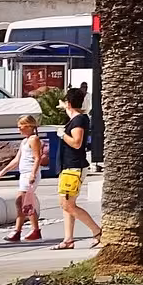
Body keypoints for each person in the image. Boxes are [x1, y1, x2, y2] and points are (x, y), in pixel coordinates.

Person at [53, 88, 99, 250]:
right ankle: (68, 239)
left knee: (68, 205)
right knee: (66, 204)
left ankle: (97, 232)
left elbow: (77, 142)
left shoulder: (79, 120)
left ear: (69, 103)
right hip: (68, 166)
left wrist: (62, 134)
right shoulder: (77, 118)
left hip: (74, 166)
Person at [1, 115, 45, 243]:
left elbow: (37, 157)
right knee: (21, 203)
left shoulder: (33, 139)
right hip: (24, 174)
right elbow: (17, 159)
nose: (19, 128)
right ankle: (19, 230)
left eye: (21, 125)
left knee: (24, 202)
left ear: (29, 126)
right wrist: (4, 170)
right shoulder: (24, 141)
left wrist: (33, 173)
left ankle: (33, 230)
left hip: (29, 174)